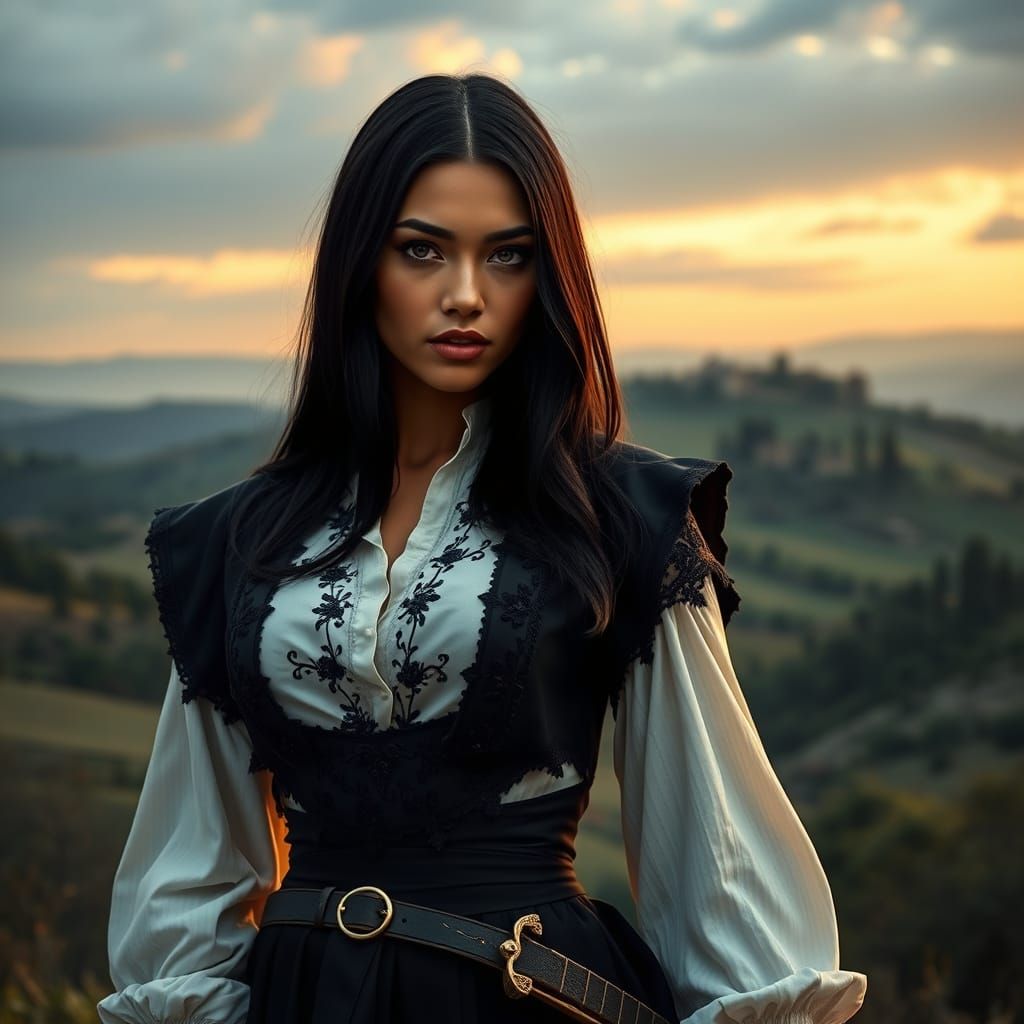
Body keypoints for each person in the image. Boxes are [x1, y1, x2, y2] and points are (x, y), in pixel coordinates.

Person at [97, 73, 868, 1024]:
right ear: (359, 263)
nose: (466, 295)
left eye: (508, 256)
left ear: (549, 277)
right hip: (304, 999)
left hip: (525, 996)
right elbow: (190, 875)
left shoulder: (624, 516)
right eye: (421, 250)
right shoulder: (236, 541)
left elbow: (715, 849)